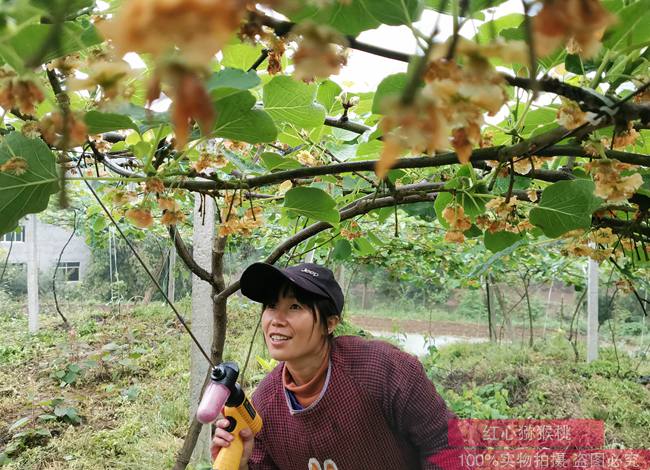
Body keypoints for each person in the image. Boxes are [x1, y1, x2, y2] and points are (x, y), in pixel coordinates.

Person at [211, 262, 460, 470]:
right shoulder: (265, 404)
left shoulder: (383, 370)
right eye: (272, 306)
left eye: (295, 306)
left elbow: (445, 443)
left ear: (330, 323)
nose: (276, 319)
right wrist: (241, 464)